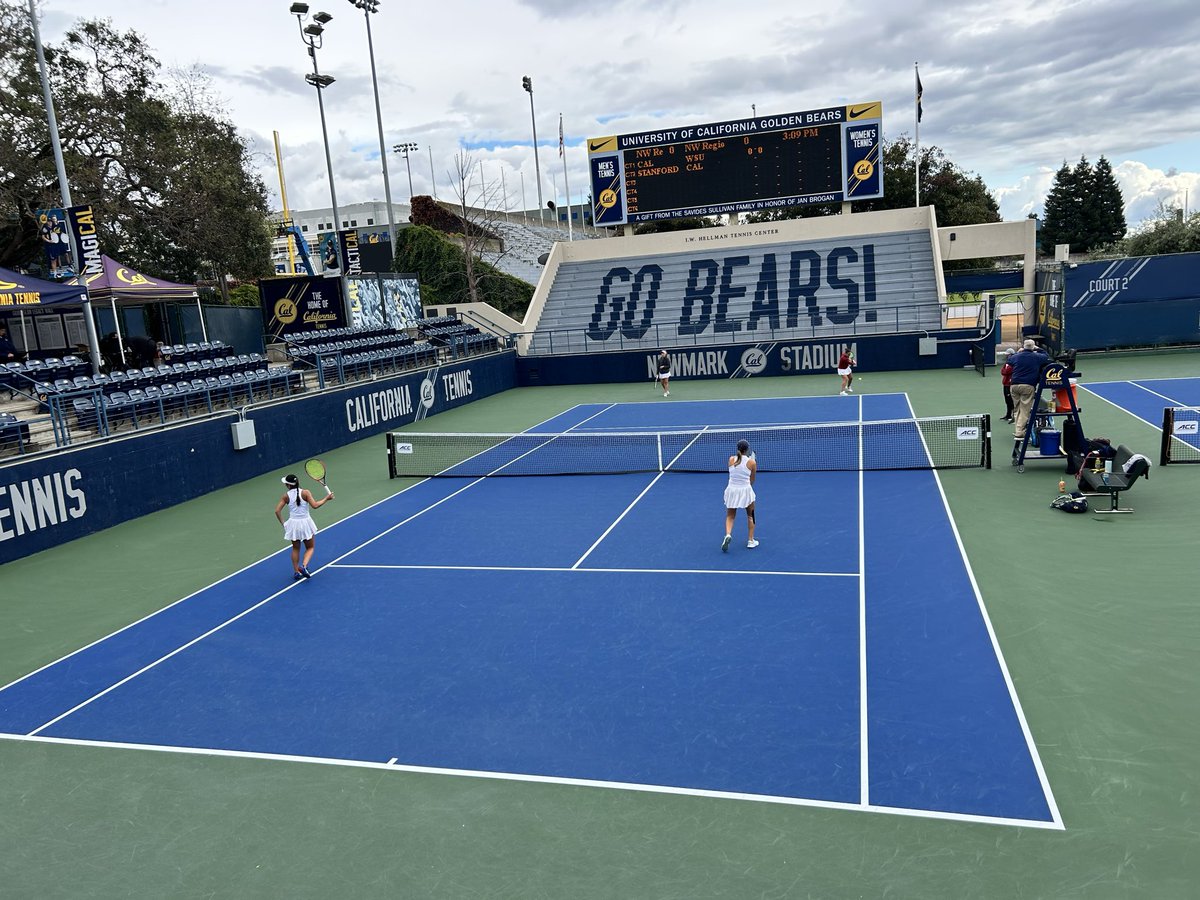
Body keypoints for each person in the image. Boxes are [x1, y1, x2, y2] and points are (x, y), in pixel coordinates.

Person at [275, 473, 334, 579]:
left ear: (288, 485)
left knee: (295, 548)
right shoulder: (306, 493)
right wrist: (327, 498)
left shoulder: (286, 496)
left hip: (293, 525)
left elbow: (277, 511)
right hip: (305, 524)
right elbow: (315, 505)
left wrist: (284, 524)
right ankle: (304, 566)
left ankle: (296, 571)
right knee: (310, 547)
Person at [1009, 338, 1050, 444]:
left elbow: (1009, 360)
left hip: (1014, 386)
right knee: (1024, 410)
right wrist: (1038, 348)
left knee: (1017, 409)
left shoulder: (1016, 356)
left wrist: (1019, 352)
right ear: (1033, 347)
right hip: (1027, 386)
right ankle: (1019, 433)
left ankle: (1018, 430)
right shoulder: (1037, 357)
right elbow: (1046, 355)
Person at [722, 439, 758, 551]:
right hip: (745, 491)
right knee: (751, 515)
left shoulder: (731, 459)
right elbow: (752, 480)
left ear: (738, 449)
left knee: (730, 516)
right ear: (747, 450)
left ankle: (728, 534)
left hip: (732, 491)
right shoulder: (752, 462)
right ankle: (751, 541)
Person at [1000, 348, 1016, 422]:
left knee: (1010, 400)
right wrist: (1004, 371)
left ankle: (1012, 416)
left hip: (1009, 384)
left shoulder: (1012, 362)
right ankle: (1008, 414)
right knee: (1007, 400)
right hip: (1005, 383)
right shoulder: (1007, 362)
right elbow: (1003, 371)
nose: (1006, 356)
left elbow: (1006, 371)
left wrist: (1004, 371)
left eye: (1007, 355)